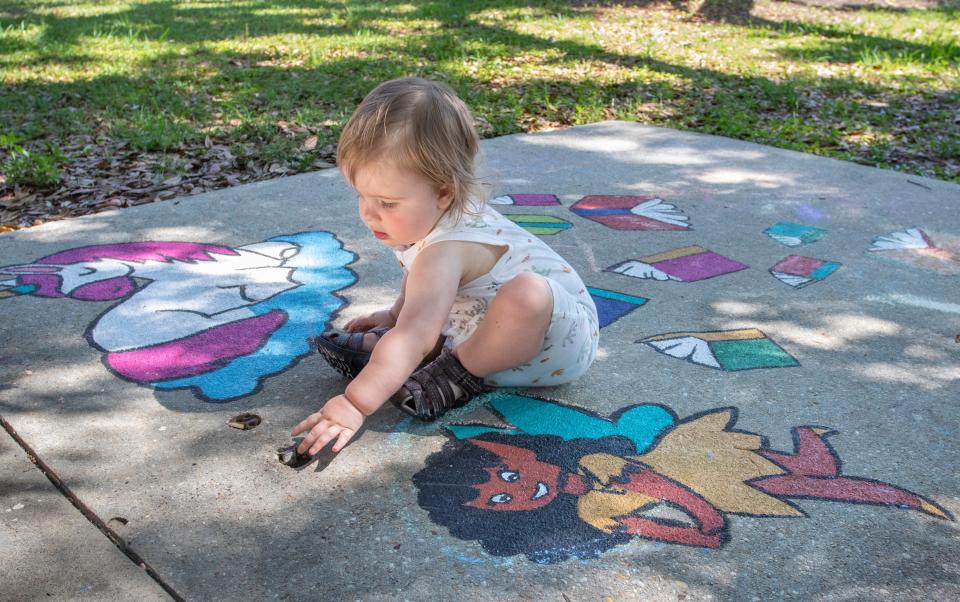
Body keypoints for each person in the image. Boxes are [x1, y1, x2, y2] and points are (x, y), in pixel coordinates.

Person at [292, 77, 599, 455]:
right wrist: (394, 314)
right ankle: (421, 355)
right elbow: (419, 276)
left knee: (527, 295)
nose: (370, 214)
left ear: (443, 192)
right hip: (488, 321)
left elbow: (415, 327)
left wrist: (354, 404)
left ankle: (457, 374)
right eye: (362, 196)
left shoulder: (447, 246)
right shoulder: (422, 216)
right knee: (417, 322)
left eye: (387, 203)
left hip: (552, 342)